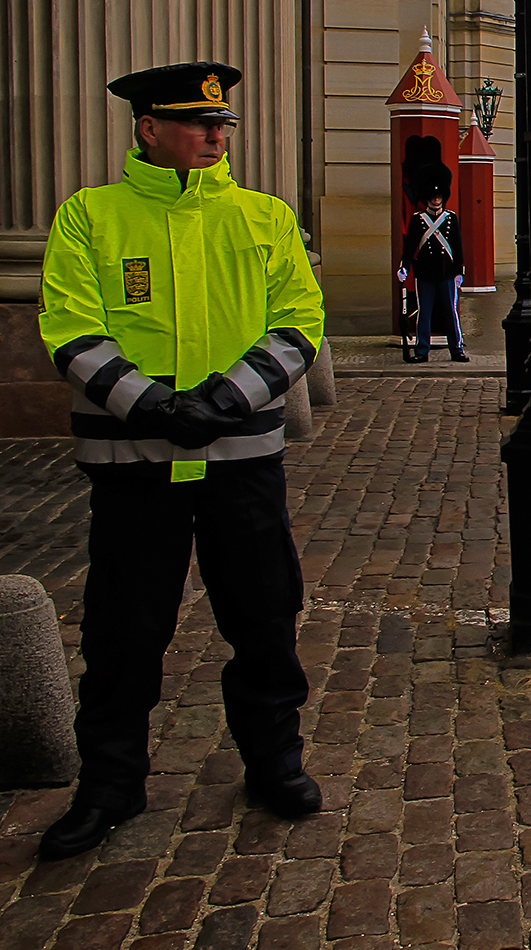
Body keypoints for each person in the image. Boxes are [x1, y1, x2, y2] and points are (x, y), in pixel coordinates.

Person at [36, 63, 325, 861]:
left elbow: (300, 320)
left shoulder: (264, 217)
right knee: (123, 636)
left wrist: (224, 398)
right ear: (147, 129)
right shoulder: (90, 217)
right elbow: (68, 325)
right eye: (197, 123)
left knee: (265, 620)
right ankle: (111, 784)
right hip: (134, 465)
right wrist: (152, 404)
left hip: (241, 464)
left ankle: (274, 762)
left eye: (222, 124)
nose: (215, 135)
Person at [399, 166, 467, 363]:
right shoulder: (417, 219)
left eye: (439, 196)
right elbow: (410, 245)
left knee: (450, 312)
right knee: (424, 313)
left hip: (447, 272)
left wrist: (459, 270)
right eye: (433, 196)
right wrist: (405, 266)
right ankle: (422, 350)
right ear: (427, 197)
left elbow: (457, 245)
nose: (436, 199)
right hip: (426, 272)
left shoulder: (450, 218)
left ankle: (456, 349)